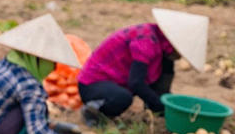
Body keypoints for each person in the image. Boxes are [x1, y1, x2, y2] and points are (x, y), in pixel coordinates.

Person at [77, 7, 209, 126]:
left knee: (166, 67)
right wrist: (159, 105)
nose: (180, 56)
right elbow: (136, 83)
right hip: (92, 85)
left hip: (118, 83)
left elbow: (162, 85)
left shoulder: (163, 47)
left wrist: (169, 107)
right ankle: (95, 109)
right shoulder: (146, 41)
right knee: (122, 98)